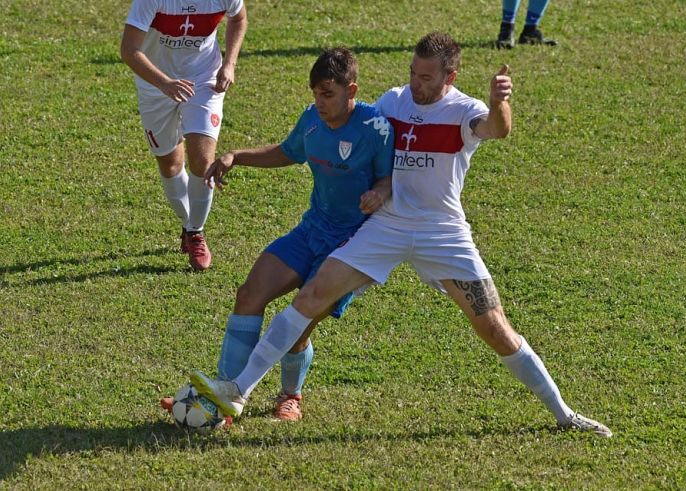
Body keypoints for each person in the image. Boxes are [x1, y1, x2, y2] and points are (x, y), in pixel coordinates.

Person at [191, 32, 612, 437]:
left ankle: (564, 413)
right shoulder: (392, 103)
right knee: (311, 297)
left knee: (494, 327)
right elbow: (355, 127)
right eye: (413, 73)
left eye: (426, 77)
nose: (416, 84)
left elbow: (497, 129)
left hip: (441, 231)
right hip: (386, 226)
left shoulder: (463, 110)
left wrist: (501, 102)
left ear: (450, 77)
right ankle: (238, 391)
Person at [164, 47, 394, 420]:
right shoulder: (313, 119)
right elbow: (288, 152)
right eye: (316, 94)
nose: (319, 102)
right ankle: (223, 394)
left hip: (351, 246)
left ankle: (290, 395)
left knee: (298, 326)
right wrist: (236, 156)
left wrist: (380, 193)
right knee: (249, 294)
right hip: (311, 230)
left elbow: (392, 178)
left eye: (328, 94)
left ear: (351, 90)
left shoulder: (376, 129)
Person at [120, 0, 248, 270]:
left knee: (202, 161)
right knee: (170, 163)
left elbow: (238, 18)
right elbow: (129, 50)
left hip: (204, 79)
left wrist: (229, 63)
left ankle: (195, 232)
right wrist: (165, 83)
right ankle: (187, 223)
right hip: (156, 84)